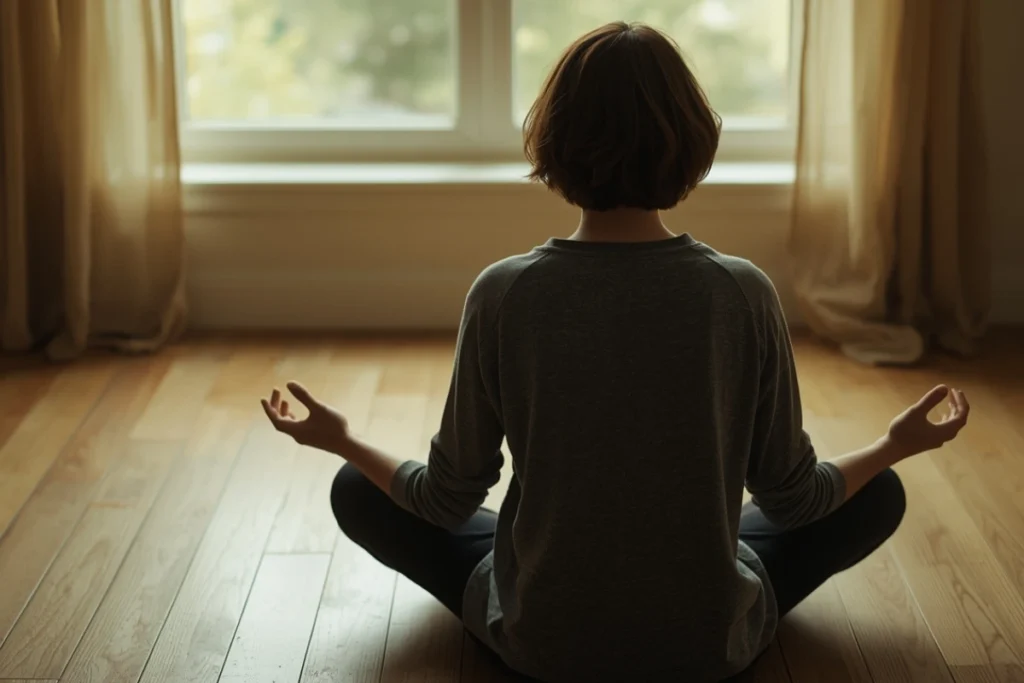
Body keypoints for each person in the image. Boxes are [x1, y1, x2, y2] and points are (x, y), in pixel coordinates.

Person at [261, 22, 971, 683]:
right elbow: (796, 495)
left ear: (552, 143)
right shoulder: (741, 293)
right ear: (693, 142)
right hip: (706, 648)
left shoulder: (504, 293)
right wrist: (895, 442)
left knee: (359, 487)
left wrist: (341, 438)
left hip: (541, 645)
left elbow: (446, 499)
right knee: (874, 489)